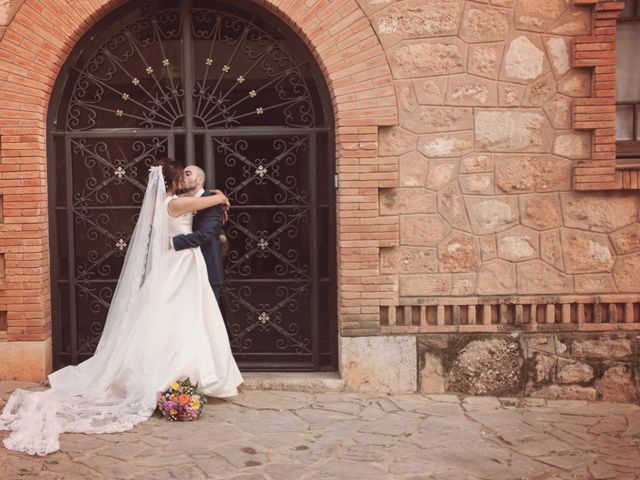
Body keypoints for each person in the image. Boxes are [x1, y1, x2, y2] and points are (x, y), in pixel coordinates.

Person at [0, 159, 243, 456]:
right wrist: (221, 197)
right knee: (183, 315)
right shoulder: (175, 205)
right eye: (182, 175)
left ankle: (170, 370)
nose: (184, 178)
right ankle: (180, 373)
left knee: (166, 315)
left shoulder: (160, 205)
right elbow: (213, 202)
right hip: (181, 263)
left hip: (172, 264)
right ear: (174, 180)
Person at [172, 165, 226, 302]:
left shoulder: (213, 200)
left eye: (188, 174)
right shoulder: (176, 200)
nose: (183, 177)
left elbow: (204, 235)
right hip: (181, 268)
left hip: (207, 268)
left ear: (200, 180)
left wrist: (172, 242)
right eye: (182, 174)